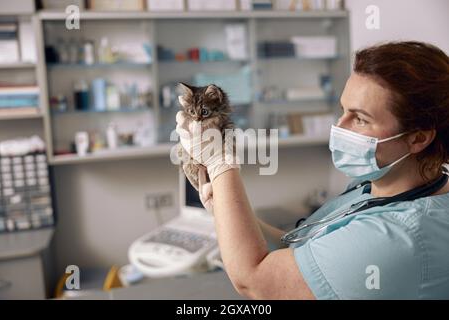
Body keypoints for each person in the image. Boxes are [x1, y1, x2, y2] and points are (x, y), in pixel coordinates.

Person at [175, 41, 449, 299]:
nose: (340, 127)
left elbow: (255, 281)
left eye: (361, 119)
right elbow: (300, 254)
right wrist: (224, 209)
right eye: (343, 110)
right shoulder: (376, 184)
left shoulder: (396, 238)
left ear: (418, 138)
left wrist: (220, 162)